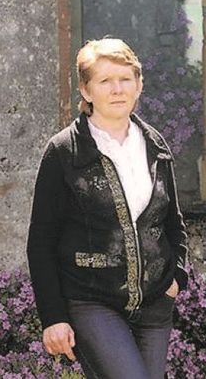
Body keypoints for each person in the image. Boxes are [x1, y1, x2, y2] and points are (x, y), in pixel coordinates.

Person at [26, 38, 188, 378]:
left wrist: (177, 278)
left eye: (125, 79)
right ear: (86, 91)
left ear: (139, 85)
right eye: (105, 81)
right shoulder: (64, 152)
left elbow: (173, 222)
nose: (117, 89)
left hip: (156, 302)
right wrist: (53, 317)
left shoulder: (155, 145)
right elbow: (40, 241)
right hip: (91, 301)